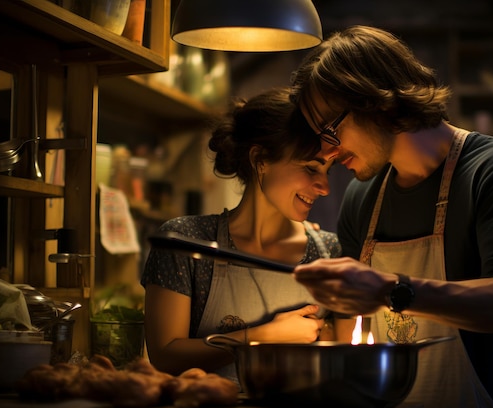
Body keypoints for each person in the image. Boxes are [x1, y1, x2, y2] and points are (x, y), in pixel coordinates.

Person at [289, 26, 493, 408]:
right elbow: (352, 328)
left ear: (378, 101)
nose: (327, 153)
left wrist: (393, 290)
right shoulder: (363, 197)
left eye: (331, 129)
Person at [141, 87, 344, 384]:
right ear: (260, 159)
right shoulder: (186, 241)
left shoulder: (329, 252)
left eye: (328, 171)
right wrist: (261, 336)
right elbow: (165, 356)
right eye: (311, 167)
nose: (324, 187)